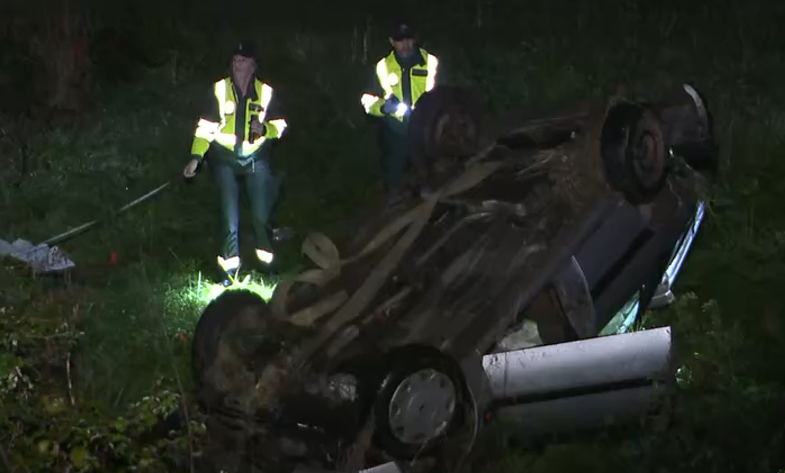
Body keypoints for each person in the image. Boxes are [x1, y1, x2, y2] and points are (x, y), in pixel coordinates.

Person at [183, 41, 287, 285]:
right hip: (225, 160)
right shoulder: (219, 90)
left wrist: (266, 129)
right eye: (234, 60)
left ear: (253, 64)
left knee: (261, 216)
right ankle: (229, 270)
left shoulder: (266, 92)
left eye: (243, 60)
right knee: (229, 218)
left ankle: (267, 264)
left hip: (255, 158)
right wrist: (195, 158)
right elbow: (205, 129)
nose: (237, 65)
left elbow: (281, 126)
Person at [360, 18, 440, 203]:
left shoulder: (431, 62)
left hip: (425, 130)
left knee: (431, 177)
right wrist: (383, 107)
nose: (405, 44)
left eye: (408, 38)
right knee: (395, 182)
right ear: (391, 41)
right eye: (399, 40)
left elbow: (443, 96)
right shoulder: (382, 67)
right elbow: (366, 99)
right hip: (395, 132)